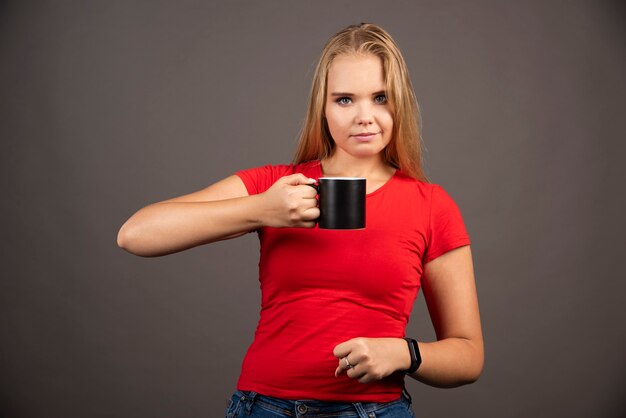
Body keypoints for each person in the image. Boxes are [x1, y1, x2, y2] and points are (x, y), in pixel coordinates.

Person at [117, 23, 483, 418]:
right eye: (345, 100)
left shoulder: (431, 205)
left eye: (380, 97)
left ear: (400, 104)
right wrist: (263, 210)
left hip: (375, 411)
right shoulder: (278, 186)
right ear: (323, 108)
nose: (364, 116)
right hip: (263, 408)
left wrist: (403, 352)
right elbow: (136, 234)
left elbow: (468, 355)